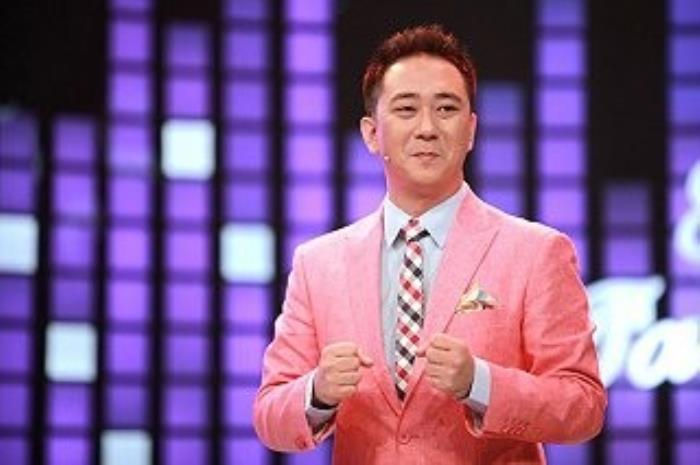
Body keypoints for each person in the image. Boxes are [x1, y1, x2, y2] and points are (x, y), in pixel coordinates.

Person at [253, 24, 606, 464]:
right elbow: (269, 415)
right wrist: (317, 391)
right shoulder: (318, 264)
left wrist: (480, 382)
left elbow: (583, 405)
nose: (427, 128)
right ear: (371, 133)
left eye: (446, 109)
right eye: (406, 109)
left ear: (471, 130)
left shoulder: (536, 252)